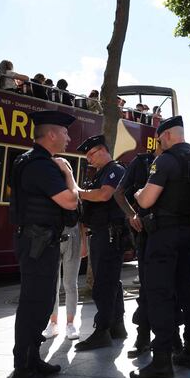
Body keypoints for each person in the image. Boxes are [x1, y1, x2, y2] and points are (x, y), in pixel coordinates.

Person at [8, 110, 79, 378]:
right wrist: (69, 173)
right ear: (51, 135)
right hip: (38, 243)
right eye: (64, 133)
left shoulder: (30, 160)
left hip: (38, 241)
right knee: (34, 305)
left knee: (39, 302)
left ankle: (32, 360)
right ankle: (23, 372)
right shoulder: (42, 165)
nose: (68, 138)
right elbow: (71, 201)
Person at [130, 115, 190, 378]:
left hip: (164, 235)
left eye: (161, 138)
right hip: (189, 232)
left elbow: (147, 200)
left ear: (169, 135)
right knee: (189, 293)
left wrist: (139, 193)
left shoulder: (165, 160)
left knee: (159, 293)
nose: (159, 143)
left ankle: (162, 361)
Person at [73, 135, 128, 351]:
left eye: (91, 155)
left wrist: (80, 193)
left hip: (109, 234)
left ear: (102, 150)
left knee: (104, 284)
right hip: (101, 233)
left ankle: (102, 330)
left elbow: (105, 195)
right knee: (111, 281)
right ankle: (116, 325)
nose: (89, 160)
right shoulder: (100, 173)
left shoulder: (115, 170)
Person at [113, 140, 161, 358]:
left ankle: (173, 341)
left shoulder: (177, 161)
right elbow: (119, 192)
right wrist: (131, 214)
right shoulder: (141, 162)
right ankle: (143, 337)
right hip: (146, 234)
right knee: (147, 288)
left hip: (170, 234)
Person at [42, 219, 83, 341]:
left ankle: (70, 324)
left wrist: (84, 244)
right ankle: (53, 323)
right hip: (51, 239)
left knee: (70, 284)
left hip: (73, 238)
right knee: (52, 284)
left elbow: (82, 221)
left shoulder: (76, 200)